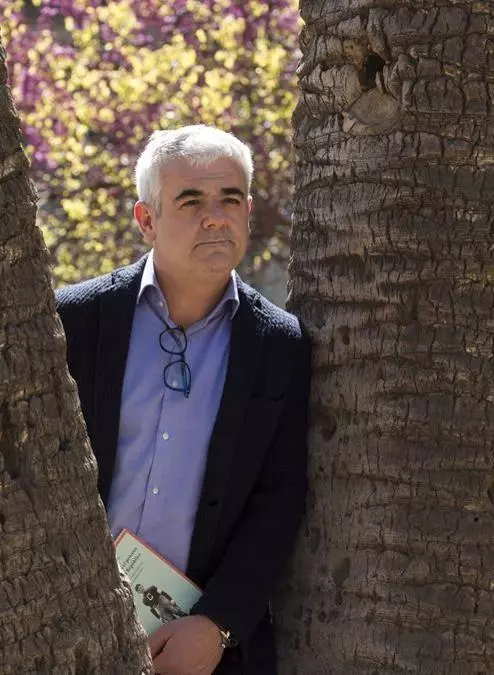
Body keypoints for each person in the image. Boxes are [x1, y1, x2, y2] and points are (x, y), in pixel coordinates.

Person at [56, 125, 311, 675]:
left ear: (248, 212)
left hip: (196, 650)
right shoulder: (74, 321)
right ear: (146, 220)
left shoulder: (278, 345)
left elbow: (279, 497)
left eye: (231, 199)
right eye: (191, 201)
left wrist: (218, 624)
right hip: (63, 627)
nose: (215, 218)